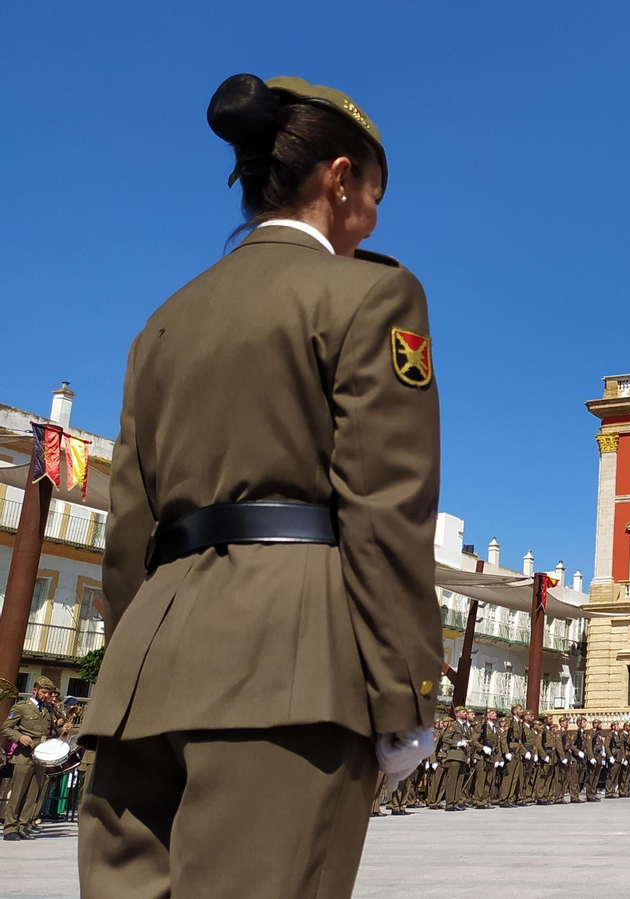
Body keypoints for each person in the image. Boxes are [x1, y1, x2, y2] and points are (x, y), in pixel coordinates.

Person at [78, 73, 441, 899]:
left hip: (145, 676)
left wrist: (135, 666)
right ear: (339, 178)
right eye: (374, 196)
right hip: (293, 673)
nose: (374, 221)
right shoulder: (372, 294)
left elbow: (129, 526)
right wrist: (406, 696)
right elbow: (386, 508)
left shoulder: (164, 322)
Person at [2, 677, 62, 840]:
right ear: (34, 691)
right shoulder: (22, 707)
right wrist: (19, 737)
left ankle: (23, 824)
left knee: (32, 793)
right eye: (43, 692)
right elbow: (6, 728)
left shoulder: (48, 711)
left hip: (40, 756)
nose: (46, 695)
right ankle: (9, 828)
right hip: (24, 756)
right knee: (18, 792)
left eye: (48, 692)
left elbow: (53, 732)